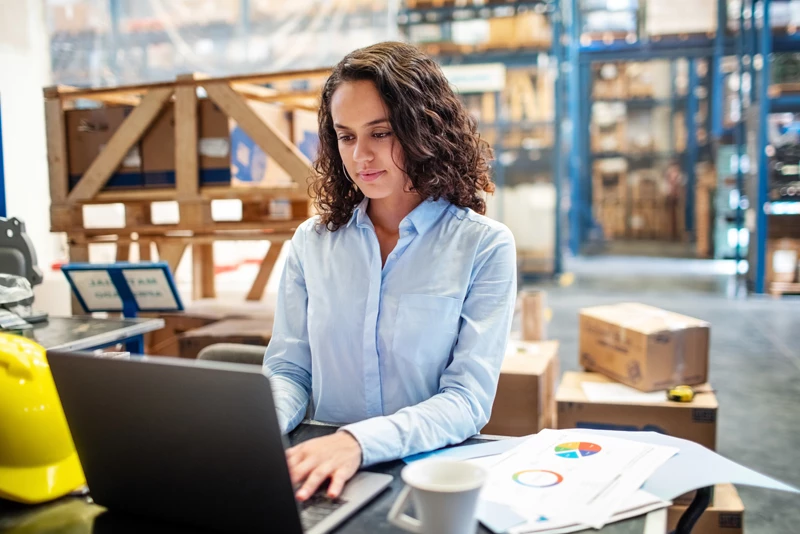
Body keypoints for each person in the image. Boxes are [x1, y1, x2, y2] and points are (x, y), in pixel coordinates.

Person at [263, 41, 517, 502]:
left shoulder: (483, 245)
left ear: (425, 130)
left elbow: (466, 400)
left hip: (427, 476)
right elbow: (289, 369)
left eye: (380, 133)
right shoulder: (311, 243)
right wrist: (258, 428)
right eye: (346, 136)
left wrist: (358, 443)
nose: (361, 155)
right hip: (320, 470)